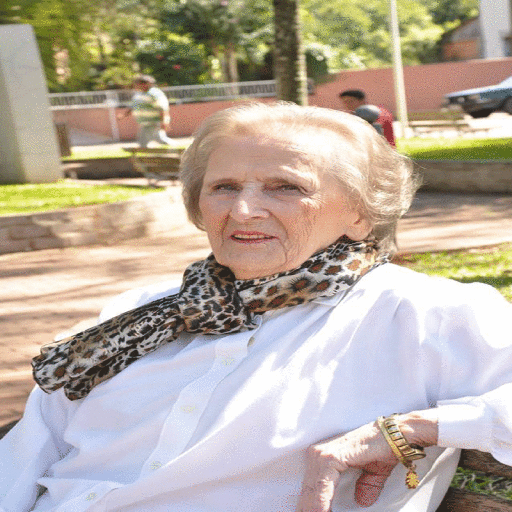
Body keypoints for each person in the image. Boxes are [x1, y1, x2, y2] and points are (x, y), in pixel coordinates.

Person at [1, 102, 511, 512]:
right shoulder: (140, 313)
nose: (243, 210)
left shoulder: (423, 313)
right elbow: (31, 452)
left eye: (285, 187)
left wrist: (410, 432)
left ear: (360, 213)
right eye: (223, 187)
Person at [118, 74, 177, 148]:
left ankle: (177, 147)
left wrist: (164, 122)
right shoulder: (138, 94)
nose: (136, 85)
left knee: (159, 139)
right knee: (144, 141)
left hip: (154, 122)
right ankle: (144, 153)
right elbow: (133, 106)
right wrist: (123, 115)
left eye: (138, 83)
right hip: (144, 123)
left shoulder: (154, 93)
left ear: (146, 84)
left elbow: (163, 108)